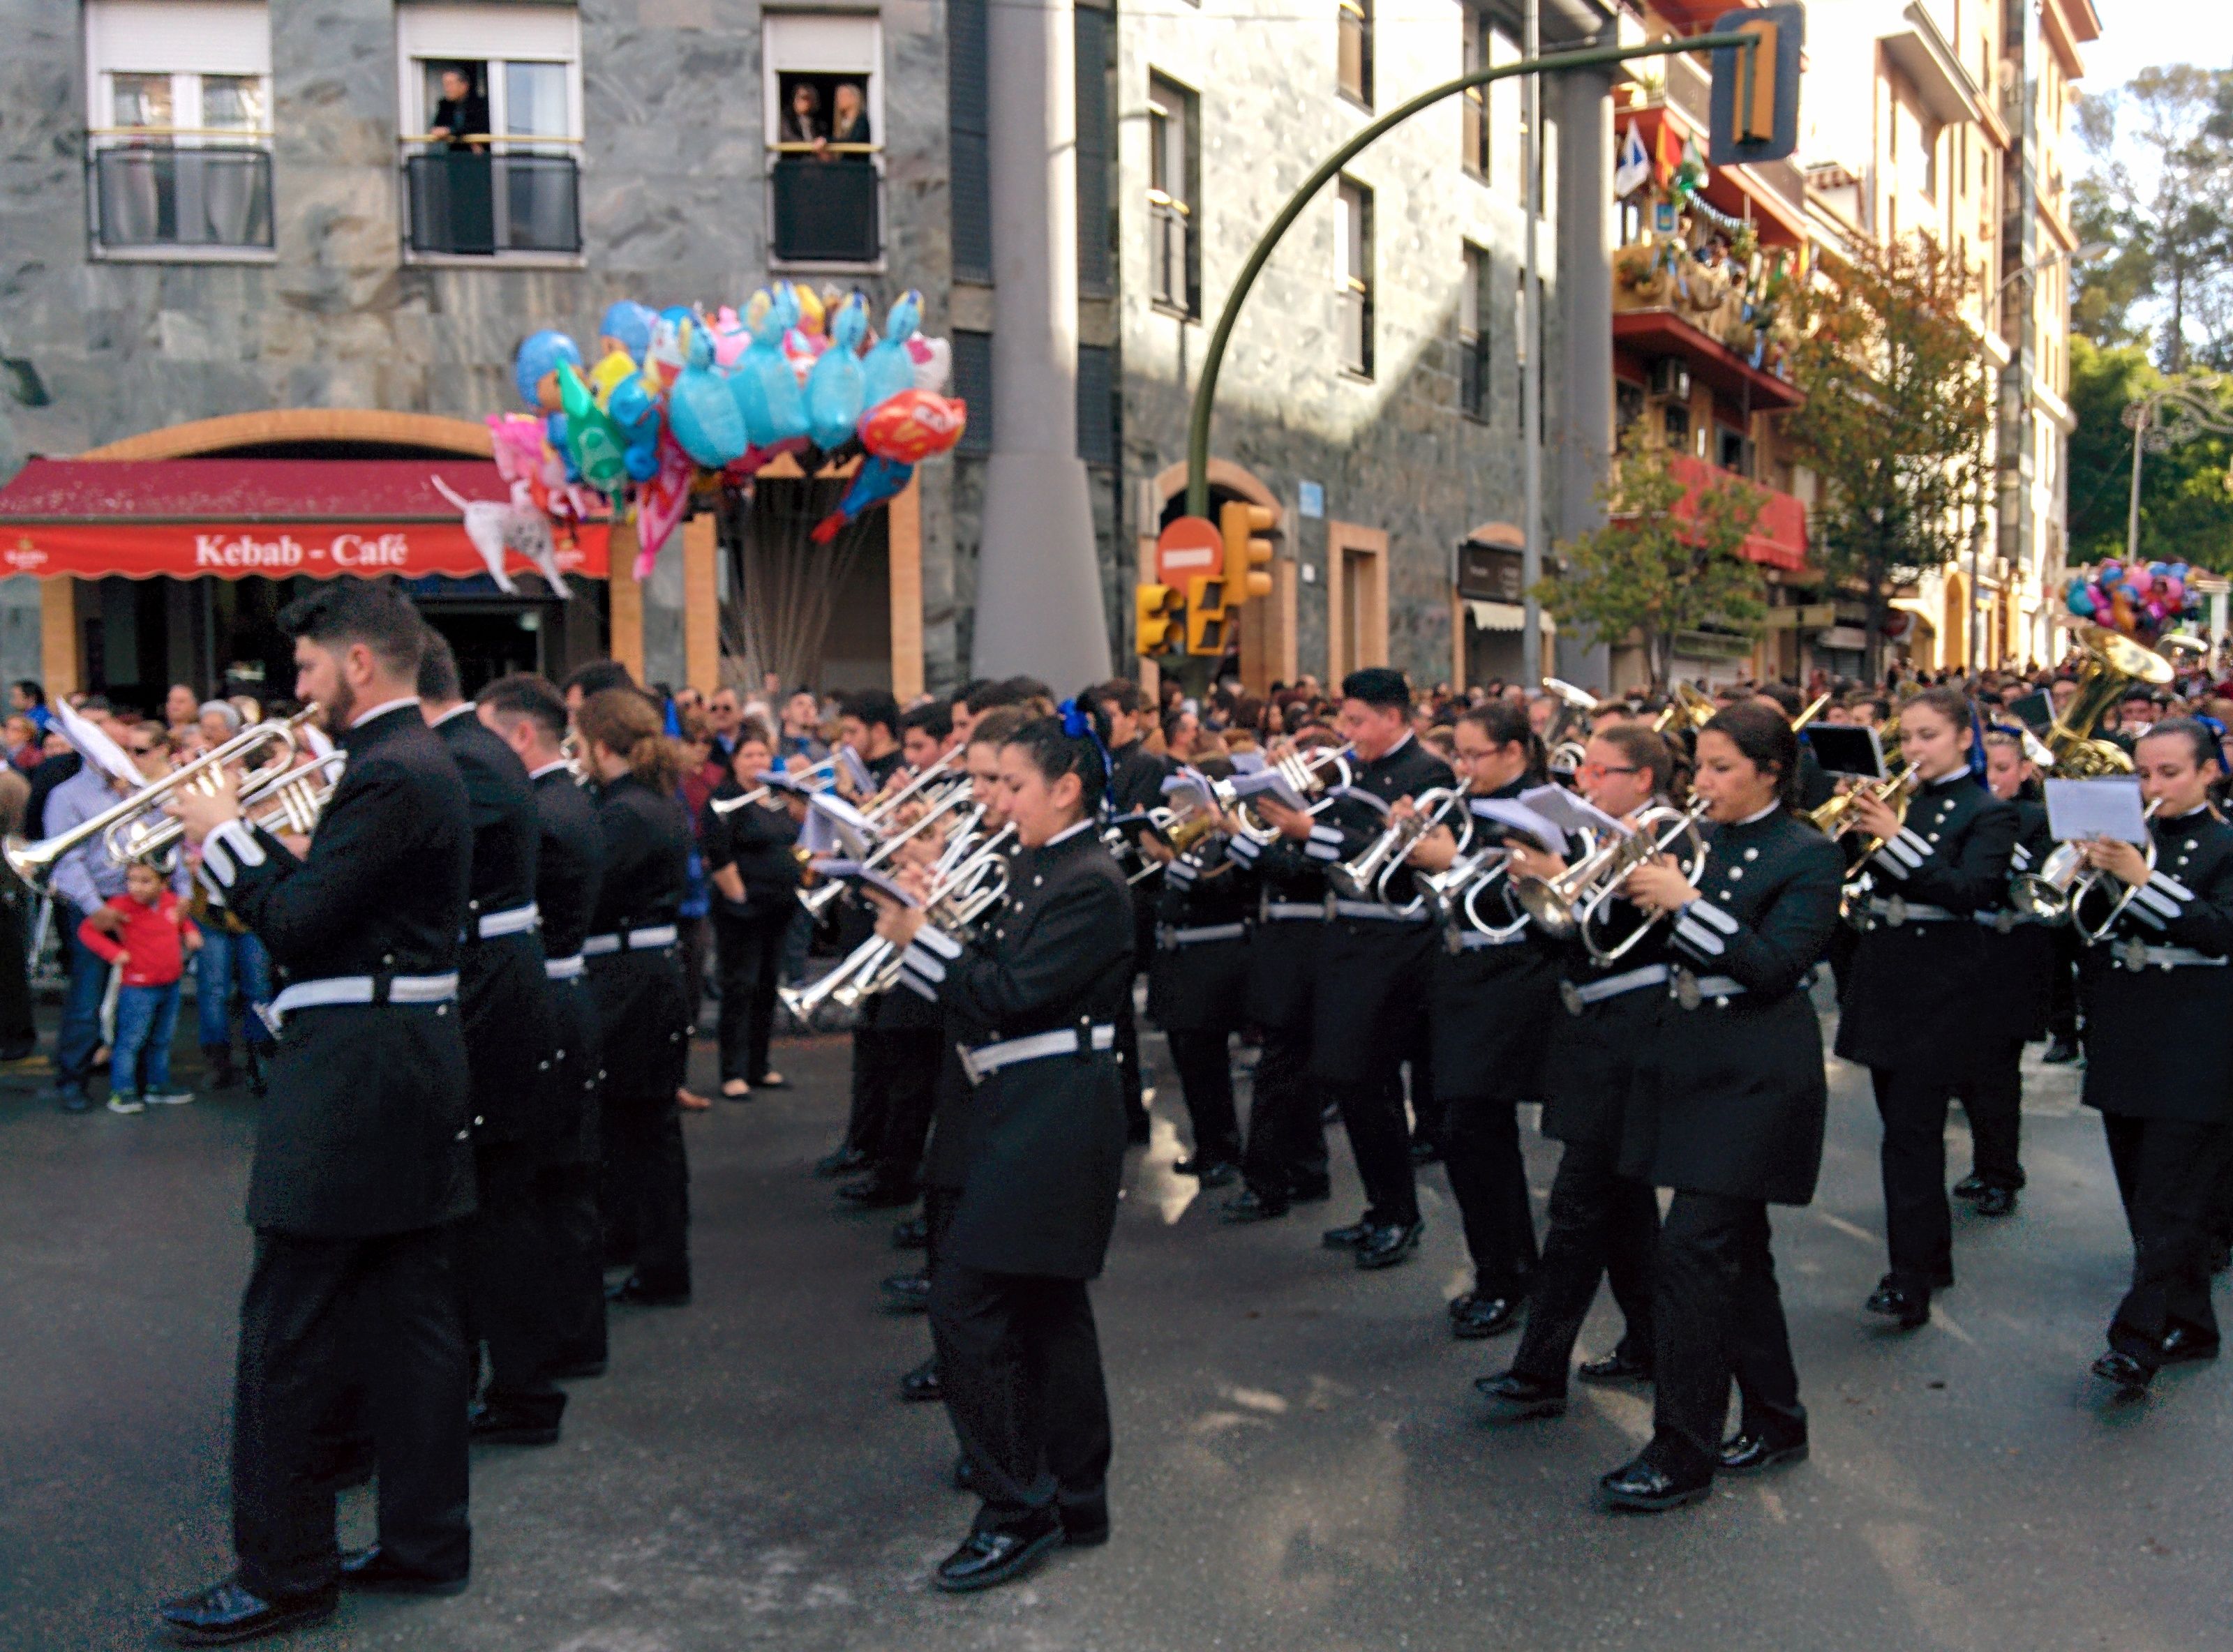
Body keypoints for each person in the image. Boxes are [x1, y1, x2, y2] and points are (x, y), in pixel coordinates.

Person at [159, 580, 475, 1642]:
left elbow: (295, 924)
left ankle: (283, 1574)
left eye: (305, 669)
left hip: (359, 1078)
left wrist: (226, 837)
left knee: (285, 1332)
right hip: (402, 1066)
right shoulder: (403, 768)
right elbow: (348, 904)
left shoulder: (392, 771)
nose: (297, 690)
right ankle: (425, 1543)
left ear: (359, 664)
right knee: (411, 1322)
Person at [872, 703, 1133, 1592]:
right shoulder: (1034, 863)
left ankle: (1015, 1506)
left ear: (1065, 788)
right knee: (1044, 1311)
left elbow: (1012, 990)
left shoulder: (1090, 877)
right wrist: (930, 914)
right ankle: (1072, 1496)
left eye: (1009, 784)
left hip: (1053, 1109)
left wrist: (925, 937)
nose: (993, 799)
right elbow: (984, 966)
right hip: (1018, 1103)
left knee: (969, 1308)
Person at [1595, 703, 1842, 1512]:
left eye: (1721, 768)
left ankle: (1680, 1450)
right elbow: (1614, 941)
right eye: (1696, 766)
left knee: (1692, 1255)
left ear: (1770, 772)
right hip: (1689, 1062)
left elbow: (1775, 966)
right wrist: (1608, 877)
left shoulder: (1807, 854)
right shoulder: (1689, 840)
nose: (1700, 784)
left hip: (1758, 1073)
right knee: (1739, 1258)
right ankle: (1777, 1418)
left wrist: (1684, 901)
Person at [1475, 723, 1674, 1421]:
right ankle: (1650, 1342)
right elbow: (1560, 935)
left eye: (1599, 771)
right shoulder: (1594, 840)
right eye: (1582, 770)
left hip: (1632, 1033)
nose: (1583, 782)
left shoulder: (1664, 836)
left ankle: (1538, 1370)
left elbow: (1638, 928)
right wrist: (1532, 885)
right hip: (1586, 1029)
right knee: (1621, 1206)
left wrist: (1560, 880)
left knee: (1577, 1206)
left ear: (1641, 778)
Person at [1252, 668, 1455, 1271]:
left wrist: (1310, 828)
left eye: (1359, 720)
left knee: (1369, 1076)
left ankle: (1399, 1214)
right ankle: (1381, 1206)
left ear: (1394, 717)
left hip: (1393, 939)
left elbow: (1382, 850)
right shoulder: (1355, 769)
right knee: (1348, 1076)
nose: (1348, 732)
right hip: (1344, 934)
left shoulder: (1427, 772)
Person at [417, 631, 566, 1448]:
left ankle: (519, 1390)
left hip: (495, 994)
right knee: (499, 1211)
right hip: (502, 985)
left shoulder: (464, 756)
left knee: (497, 1215)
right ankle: (514, 1384)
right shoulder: (473, 748)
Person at [1832, 686, 2017, 1330]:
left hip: (1941, 988)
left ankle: (1908, 1278)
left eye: (1927, 736)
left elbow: (1970, 891)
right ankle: (1930, 1257)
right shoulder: (1906, 801)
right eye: (1906, 737)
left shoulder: (1987, 812)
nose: (1912, 749)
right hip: (1887, 978)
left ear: (1966, 737)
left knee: (1910, 1137)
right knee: (1903, 1132)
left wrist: (1896, 837)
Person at [2070, 718, 2233, 1397]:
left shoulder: (2225, 845)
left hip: (2197, 1035)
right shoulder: (2127, 840)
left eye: (2168, 773)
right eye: (2141, 773)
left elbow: (2218, 929)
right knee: (2144, 1193)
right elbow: (2086, 934)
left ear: (2206, 774)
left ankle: (2132, 1343)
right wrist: (2088, 873)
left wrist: (2142, 880)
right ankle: (2190, 1322)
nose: (2152, 786)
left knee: (2167, 1195)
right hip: (2128, 1030)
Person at [1403, 702, 1559, 1337]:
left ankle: (1509, 1273)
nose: (1462, 768)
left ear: (1515, 752)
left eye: (1474, 756)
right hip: (1458, 974)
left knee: (1477, 1131)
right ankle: (1505, 1266)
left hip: (1513, 977)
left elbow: (1538, 896)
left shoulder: (1544, 809)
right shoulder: (1458, 803)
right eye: (1457, 756)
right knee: (1465, 1133)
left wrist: (1451, 864)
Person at [478, 673, 610, 1381]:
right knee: (563, 1186)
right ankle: (572, 1337)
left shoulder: (545, 812)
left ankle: (559, 1341)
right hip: (566, 995)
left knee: (549, 1189)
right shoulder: (565, 800)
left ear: (521, 735)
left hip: (551, 1001)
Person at [579, 688, 696, 1308]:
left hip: (630, 974)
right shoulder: (647, 803)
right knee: (636, 1124)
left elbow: (587, 889)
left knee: (643, 1127)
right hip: (643, 971)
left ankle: (660, 1264)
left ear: (601, 745)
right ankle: (639, 1246)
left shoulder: (627, 813)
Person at [43, 721, 178, 1111]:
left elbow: (165, 841)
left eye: (131, 750)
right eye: (118, 749)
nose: (125, 758)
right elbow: (68, 859)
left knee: (142, 993)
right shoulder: (67, 795)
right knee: (88, 995)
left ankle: (138, 1079)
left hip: (141, 902)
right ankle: (73, 1079)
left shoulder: (139, 789)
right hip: (98, 903)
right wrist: (94, 907)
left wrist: (177, 893)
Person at [1143, 760, 1248, 1187]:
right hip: (1178, 964)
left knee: (1207, 1065)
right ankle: (1209, 1147)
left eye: (1183, 804)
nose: (1175, 812)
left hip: (1209, 965)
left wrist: (1170, 860)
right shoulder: (1190, 845)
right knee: (1189, 1063)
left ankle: (1223, 1148)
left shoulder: (1221, 844)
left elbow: (1218, 886)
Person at [1964, 728, 2054, 1214]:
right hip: (1968, 946)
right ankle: (1983, 1164)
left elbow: (2036, 881)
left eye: (2004, 769)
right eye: (1987, 770)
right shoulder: (1969, 813)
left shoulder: (2038, 818)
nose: (1994, 779)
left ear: (2024, 772)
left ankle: (2003, 1173)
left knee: (1999, 1072)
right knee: (1969, 1069)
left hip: (2014, 947)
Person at [700, 719, 798, 1098]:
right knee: (740, 986)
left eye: (762, 754)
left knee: (767, 986)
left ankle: (760, 1066)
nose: (757, 760)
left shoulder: (775, 797)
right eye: (749, 755)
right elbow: (718, 849)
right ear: (736, 761)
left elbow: (790, 837)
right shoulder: (724, 799)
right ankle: (733, 1072)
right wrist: (739, 894)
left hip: (778, 905)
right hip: (742, 910)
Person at [79, 857, 202, 1113]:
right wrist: (113, 953)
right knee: (130, 1042)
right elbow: (87, 931)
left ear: (164, 882)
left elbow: (180, 920)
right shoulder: (120, 906)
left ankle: (157, 1085)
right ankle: (121, 1091)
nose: (136, 887)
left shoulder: (170, 901)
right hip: (137, 986)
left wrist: (189, 931)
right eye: (131, 880)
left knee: (161, 1039)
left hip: (170, 982)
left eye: (145, 881)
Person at [428, 65, 489, 150]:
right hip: (454, 155)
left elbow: (477, 127)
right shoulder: (445, 106)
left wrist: (450, 131)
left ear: (464, 86)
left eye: (450, 84)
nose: (447, 89)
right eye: (445, 85)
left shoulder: (479, 105)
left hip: (475, 156)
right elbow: (438, 127)